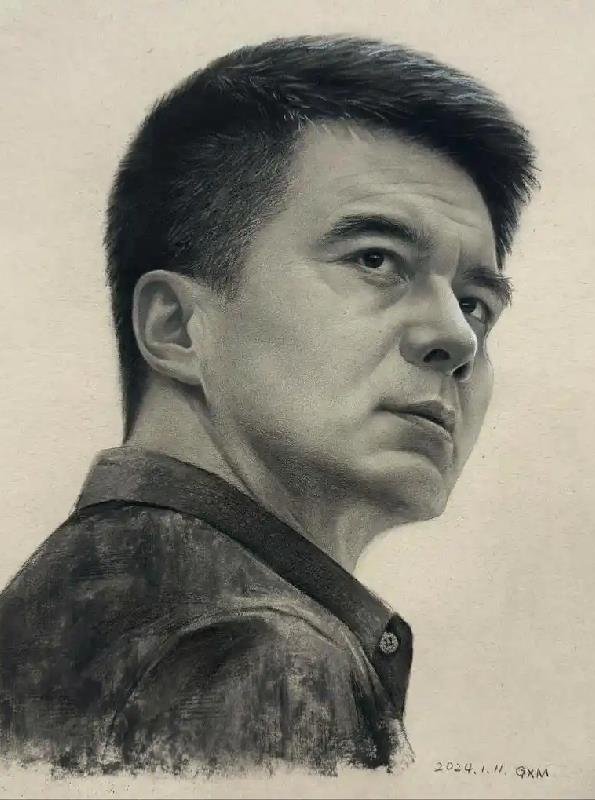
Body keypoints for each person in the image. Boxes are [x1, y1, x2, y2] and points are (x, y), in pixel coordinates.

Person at [0, 35, 537, 775]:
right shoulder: (262, 655)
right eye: (376, 259)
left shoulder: (69, 603)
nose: (457, 337)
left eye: (477, 304)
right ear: (176, 328)